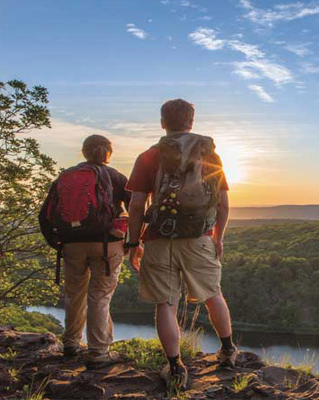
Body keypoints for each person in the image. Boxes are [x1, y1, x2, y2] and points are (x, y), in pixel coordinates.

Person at [126, 99, 236, 392]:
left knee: (166, 303)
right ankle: (227, 352)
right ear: (191, 122)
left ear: (163, 122)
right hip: (199, 237)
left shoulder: (149, 156)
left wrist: (133, 242)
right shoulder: (208, 154)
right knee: (214, 294)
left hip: (159, 238)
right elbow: (223, 204)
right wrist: (218, 237)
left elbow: (137, 205)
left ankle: (175, 368)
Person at [39, 135, 131, 369]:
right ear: (108, 153)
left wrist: (58, 243)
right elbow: (135, 207)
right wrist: (132, 242)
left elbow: (45, 215)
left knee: (74, 294)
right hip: (106, 244)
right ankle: (99, 353)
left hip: (72, 245)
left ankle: (70, 344)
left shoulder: (66, 176)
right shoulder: (115, 177)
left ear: (84, 152)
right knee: (99, 296)